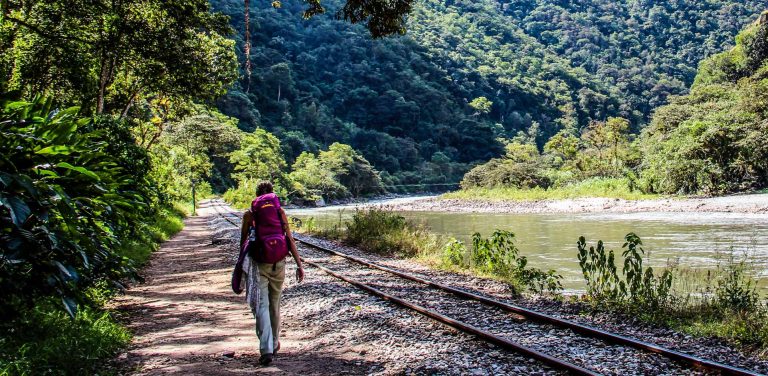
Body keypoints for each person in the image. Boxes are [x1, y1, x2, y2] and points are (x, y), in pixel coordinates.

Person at [239, 181, 304, 366]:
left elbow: (243, 244)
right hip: (279, 263)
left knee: (261, 305)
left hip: (259, 263)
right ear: (273, 195)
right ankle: (275, 343)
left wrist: (240, 268)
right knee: (274, 304)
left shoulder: (250, 215)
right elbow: (290, 240)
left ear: (257, 195)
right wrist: (299, 265)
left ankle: (266, 348)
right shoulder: (279, 212)